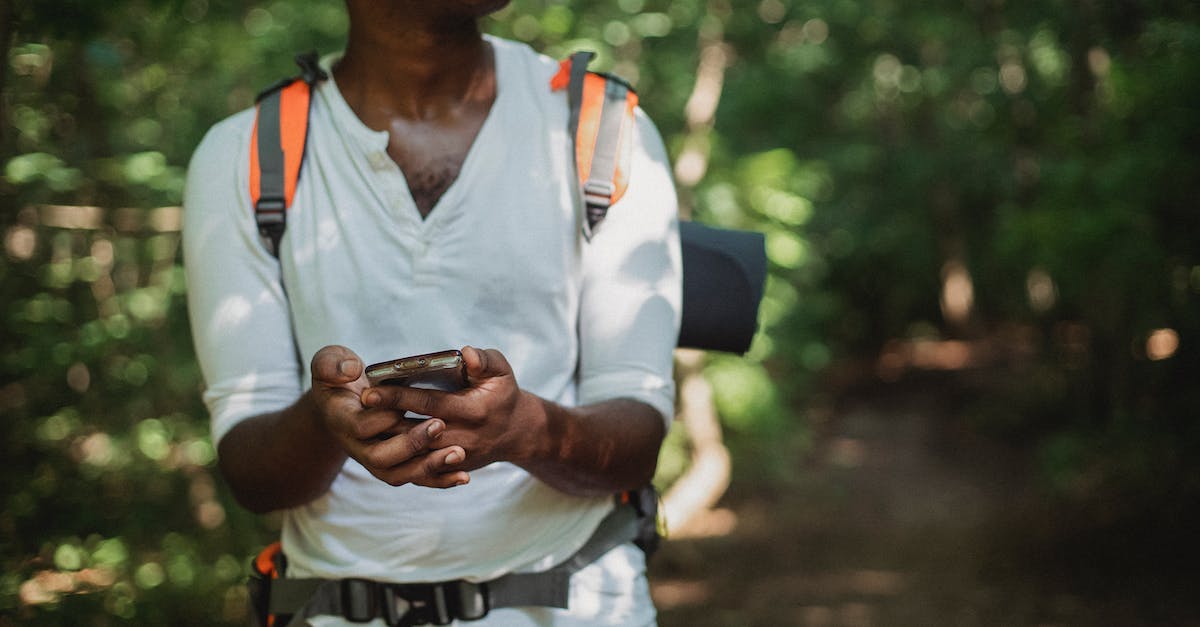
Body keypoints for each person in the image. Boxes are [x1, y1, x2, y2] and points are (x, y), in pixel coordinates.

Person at [182, 1, 681, 625]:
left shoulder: (601, 127)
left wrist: (525, 430)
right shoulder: (248, 153)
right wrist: (324, 421)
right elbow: (251, 474)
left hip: (577, 603)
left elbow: (638, 437)